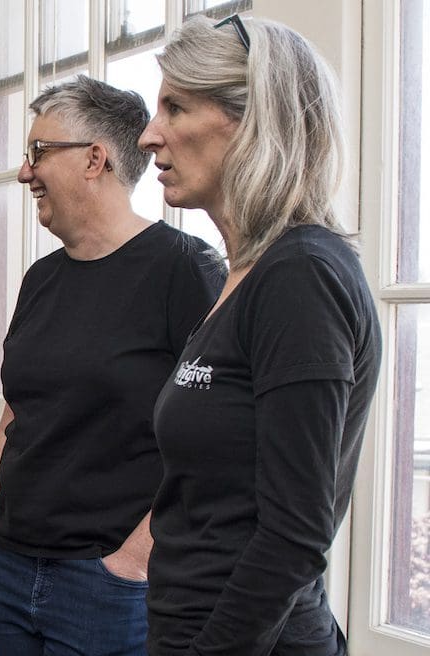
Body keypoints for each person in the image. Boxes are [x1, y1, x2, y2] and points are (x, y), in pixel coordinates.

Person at [0, 75, 226, 655]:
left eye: (38, 153)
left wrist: (131, 563)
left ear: (94, 159)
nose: (25, 172)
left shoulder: (185, 271)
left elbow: (217, 446)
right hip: (10, 566)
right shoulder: (40, 279)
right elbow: (14, 421)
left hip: (105, 585)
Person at [137, 15, 381, 656]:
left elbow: (296, 535)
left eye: (176, 107)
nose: (148, 134)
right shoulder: (245, 273)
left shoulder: (301, 275)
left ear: (253, 121)